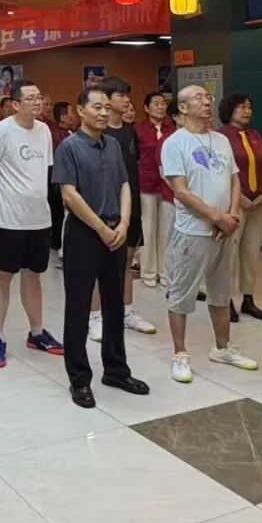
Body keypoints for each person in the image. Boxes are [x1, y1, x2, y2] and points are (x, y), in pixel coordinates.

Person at [55, 87, 149, 408]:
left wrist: (123, 223)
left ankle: (116, 370)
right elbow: (69, 194)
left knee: (114, 304)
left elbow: (124, 184)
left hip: (115, 231)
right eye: (97, 107)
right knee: (78, 307)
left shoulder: (113, 144)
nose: (104, 113)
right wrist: (100, 227)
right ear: (81, 111)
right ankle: (79, 378)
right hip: (84, 233)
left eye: (107, 107)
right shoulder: (69, 147)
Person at [161, 85, 259, 383]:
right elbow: (180, 191)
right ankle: (180, 354)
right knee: (181, 293)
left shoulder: (221, 140)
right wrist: (217, 217)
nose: (206, 102)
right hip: (193, 230)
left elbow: (234, 181)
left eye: (208, 97)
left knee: (221, 291)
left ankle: (222, 348)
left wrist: (232, 216)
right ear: (183, 108)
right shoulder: (174, 143)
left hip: (224, 231)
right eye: (198, 98)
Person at [0, 80, 63, 368]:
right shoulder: (0, 132)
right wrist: (0, 201)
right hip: (7, 220)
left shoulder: (44, 131)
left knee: (33, 275)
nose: (37, 102)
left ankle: (36, 333)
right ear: (15, 104)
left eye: (39, 97)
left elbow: (44, 171)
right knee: (2, 277)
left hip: (39, 218)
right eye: (30, 98)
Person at [91, 77, 156, 339]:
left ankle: (127, 311)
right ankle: (95, 316)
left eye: (127, 95)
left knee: (127, 260)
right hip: (104, 205)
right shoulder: (99, 132)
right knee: (99, 262)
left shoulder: (131, 131)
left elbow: (132, 166)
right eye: (121, 96)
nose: (127, 100)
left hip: (131, 204)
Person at [218, 93, 262, 322]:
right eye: (241, 107)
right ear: (229, 110)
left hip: (258, 203)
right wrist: (239, 198)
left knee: (251, 252)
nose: (246, 111)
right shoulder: (221, 137)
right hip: (234, 204)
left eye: (249, 107)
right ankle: (227, 299)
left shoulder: (254, 135)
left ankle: (248, 299)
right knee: (230, 254)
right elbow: (221, 172)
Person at [136, 92, 177, 288]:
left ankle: (165, 271)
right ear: (146, 108)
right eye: (156, 104)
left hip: (168, 186)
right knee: (148, 228)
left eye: (163, 104)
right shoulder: (139, 130)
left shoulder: (172, 130)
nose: (161, 107)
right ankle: (148, 271)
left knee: (166, 231)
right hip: (147, 184)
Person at [46, 101, 74, 256]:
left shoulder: (71, 131)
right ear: (63, 117)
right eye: (71, 113)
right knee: (61, 215)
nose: (74, 116)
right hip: (60, 181)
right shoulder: (57, 136)